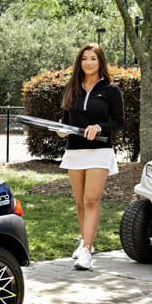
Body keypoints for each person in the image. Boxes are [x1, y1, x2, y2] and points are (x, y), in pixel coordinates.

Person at [57, 43, 124, 270]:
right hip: (74, 151)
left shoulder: (111, 90)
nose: (88, 62)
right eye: (84, 58)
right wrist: (61, 129)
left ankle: (86, 250)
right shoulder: (71, 88)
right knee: (79, 202)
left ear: (100, 61)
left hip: (100, 151)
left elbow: (118, 122)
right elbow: (66, 121)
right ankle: (86, 241)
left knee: (91, 199)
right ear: (79, 62)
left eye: (93, 58)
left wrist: (99, 126)